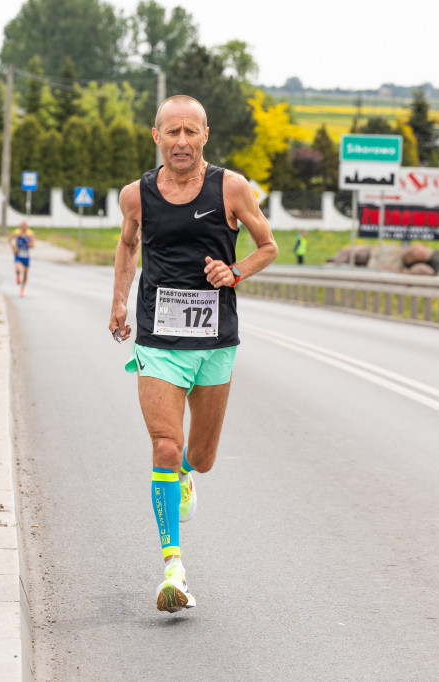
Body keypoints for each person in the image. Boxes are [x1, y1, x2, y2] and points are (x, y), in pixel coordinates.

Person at [108, 95, 278, 613]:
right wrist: (119, 300)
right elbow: (128, 245)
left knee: (198, 458)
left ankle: (185, 473)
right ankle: (173, 569)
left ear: (205, 135)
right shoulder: (135, 195)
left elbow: (267, 246)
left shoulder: (231, 187)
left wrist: (235, 272)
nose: (181, 141)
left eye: (191, 132)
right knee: (164, 445)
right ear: (155, 135)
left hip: (215, 343)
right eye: (171, 131)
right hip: (159, 342)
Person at [8, 220, 34, 296]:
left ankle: (22, 288)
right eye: (23, 226)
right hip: (18, 254)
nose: (24, 227)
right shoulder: (16, 232)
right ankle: (18, 276)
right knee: (18, 269)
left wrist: (30, 244)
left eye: (25, 226)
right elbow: (9, 240)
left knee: (25, 274)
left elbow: (33, 244)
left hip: (26, 256)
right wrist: (13, 248)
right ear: (21, 226)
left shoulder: (30, 234)